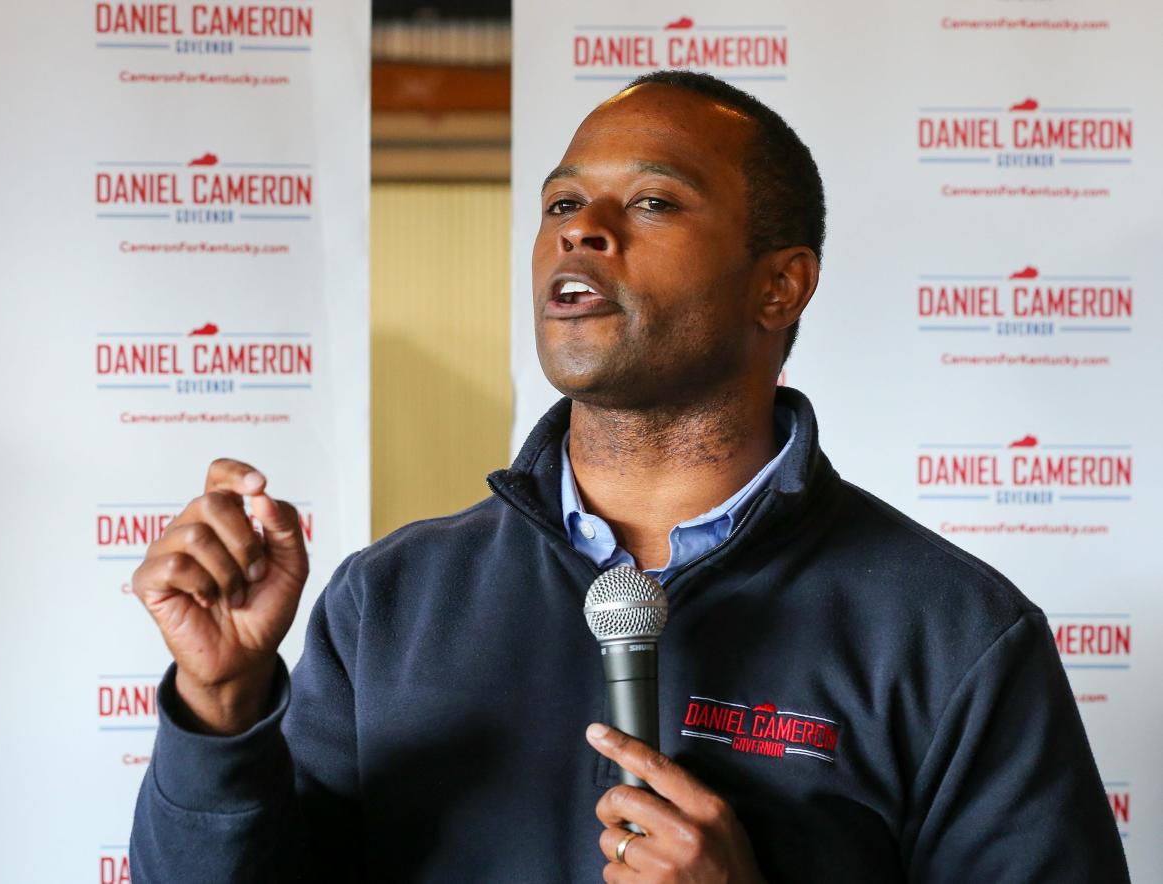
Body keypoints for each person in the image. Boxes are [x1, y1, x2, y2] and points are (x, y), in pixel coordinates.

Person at [129, 70, 1129, 883]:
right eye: (563, 201)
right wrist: (219, 702)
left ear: (780, 284)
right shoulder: (388, 601)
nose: (582, 228)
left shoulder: (956, 633)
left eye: (651, 201)